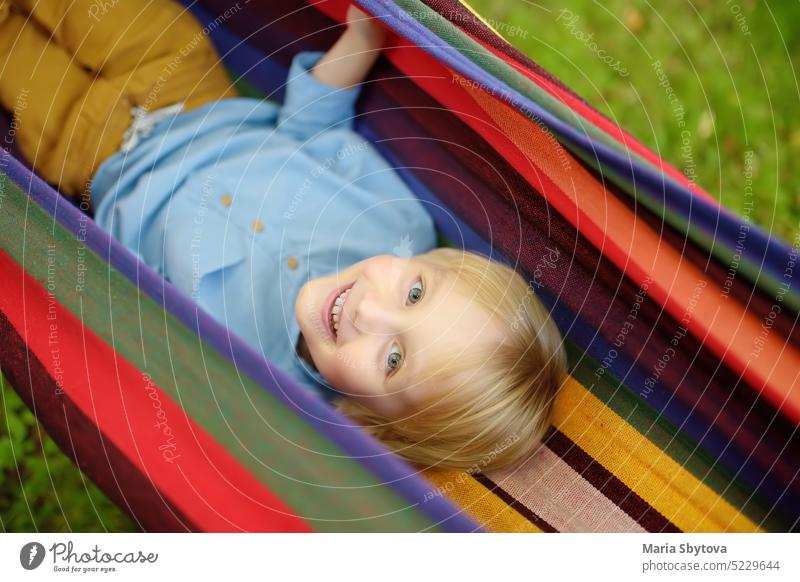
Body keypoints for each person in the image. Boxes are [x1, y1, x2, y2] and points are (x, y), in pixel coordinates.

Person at [0, 0, 566, 472]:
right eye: (415, 293)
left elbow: (125, 314)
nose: (371, 313)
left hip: (89, 154)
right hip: (184, 83)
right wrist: (364, 39)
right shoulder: (397, 223)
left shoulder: (254, 383)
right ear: (438, 258)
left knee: (14, 58)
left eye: (393, 359)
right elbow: (312, 126)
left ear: (368, 420)